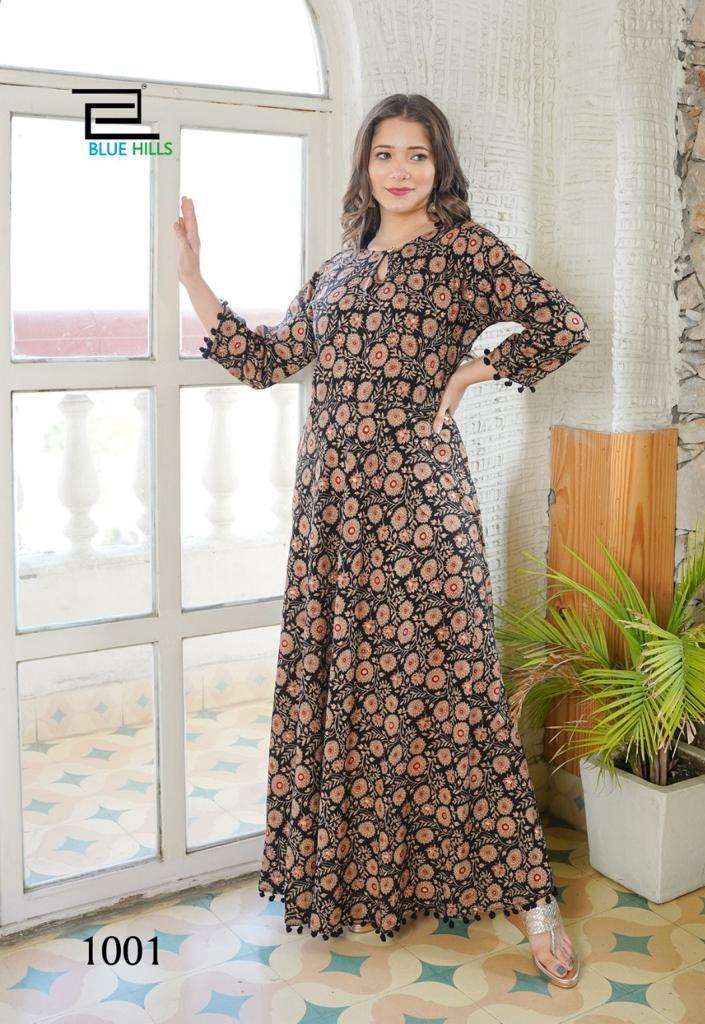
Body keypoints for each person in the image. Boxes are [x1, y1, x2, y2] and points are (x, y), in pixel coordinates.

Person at [173, 93, 590, 989]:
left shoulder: (465, 252)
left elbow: (564, 326)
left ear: (440, 167)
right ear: (365, 166)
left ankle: (532, 900)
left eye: (418, 155)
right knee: (354, 695)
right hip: (334, 515)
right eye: (385, 154)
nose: (401, 170)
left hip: (420, 507)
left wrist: (473, 369)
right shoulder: (337, 270)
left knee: (459, 692)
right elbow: (266, 360)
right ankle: (367, 881)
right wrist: (193, 278)